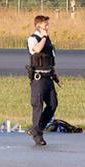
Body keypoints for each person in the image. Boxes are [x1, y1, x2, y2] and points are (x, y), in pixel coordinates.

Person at [26, 14, 59, 146]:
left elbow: (51, 58)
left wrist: (55, 74)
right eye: (46, 24)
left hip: (48, 77)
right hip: (38, 79)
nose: (48, 26)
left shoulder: (48, 40)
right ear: (38, 26)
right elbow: (37, 50)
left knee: (53, 104)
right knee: (38, 106)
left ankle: (36, 129)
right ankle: (38, 135)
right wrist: (44, 37)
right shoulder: (32, 39)